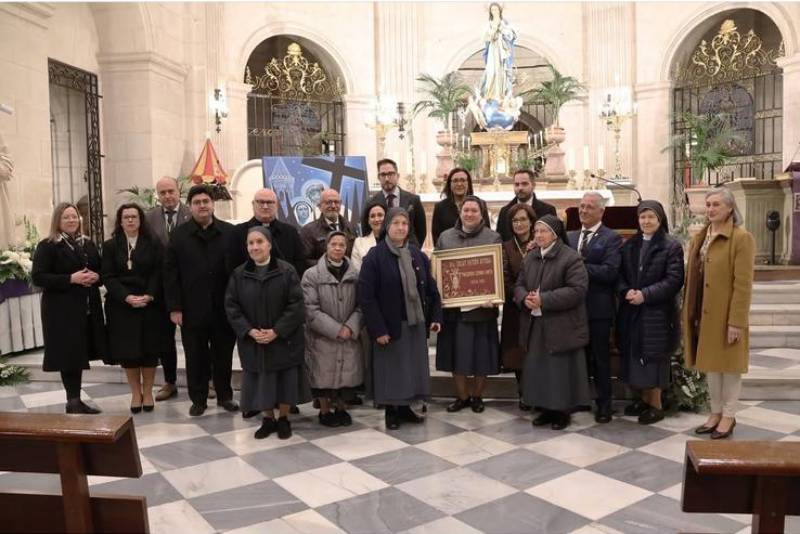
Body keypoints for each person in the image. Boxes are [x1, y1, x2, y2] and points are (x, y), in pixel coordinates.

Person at [358, 207, 442, 429]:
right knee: (391, 371)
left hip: (414, 324)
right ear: (387, 226)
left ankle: (405, 408)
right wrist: (378, 329)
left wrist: (435, 316)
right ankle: (391, 412)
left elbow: (431, 289)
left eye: (404, 224)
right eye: (396, 223)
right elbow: (366, 298)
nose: (401, 227)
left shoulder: (417, 254)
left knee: (411, 370)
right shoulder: (374, 257)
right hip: (390, 326)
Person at [684, 186, 755, 440]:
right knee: (711, 367)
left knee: (730, 367)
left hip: (726, 314)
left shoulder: (740, 238)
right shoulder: (701, 236)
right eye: (709, 204)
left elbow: (743, 284)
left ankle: (728, 415)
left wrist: (736, 321)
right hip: (704, 312)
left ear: (729, 208)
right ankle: (714, 413)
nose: (711, 209)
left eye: (716, 205)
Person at [164, 184, 239, 416]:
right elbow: (170, 275)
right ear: (191, 206)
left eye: (206, 201)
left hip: (223, 307)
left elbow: (237, 272)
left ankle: (225, 395)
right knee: (195, 356)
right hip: (191, 308)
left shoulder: (229, 232)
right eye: (197, 202)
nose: (202, 206)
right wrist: (175, 308)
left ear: (212, 204)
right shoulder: (178, 235)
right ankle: (198, 399)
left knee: (224, 355)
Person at [225, 227, 305, 440]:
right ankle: (268, 419)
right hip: (254, 340)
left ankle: (284, 419)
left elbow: (296, 304)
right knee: (261, 381)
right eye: (250, 243)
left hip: (283, 339)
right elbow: (232, 307)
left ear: (269, 244)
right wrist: (249, 330)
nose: (255, 247)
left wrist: (277, 331)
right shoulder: (239, 274)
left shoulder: (286, 271)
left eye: (259, 241)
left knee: (285, 380)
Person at [514, 215, 592, 430]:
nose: (538, 235)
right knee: (539, 369)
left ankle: (562, 412)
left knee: (560, 371)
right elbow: (519, 284)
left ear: (555, 235)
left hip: (561, 324)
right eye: (536, 231)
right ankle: (545, 409)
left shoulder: (570, 258)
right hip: (535, 323)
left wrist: (544, 300)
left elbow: (577, 290)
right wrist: (524, 298)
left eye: (543, 231)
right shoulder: (530, 257)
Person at [32, 202, 106, 414]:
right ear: (58, 221)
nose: (72, 220)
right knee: (69, 354)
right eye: (67, 217)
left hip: (85, 308)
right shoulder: (48, 245)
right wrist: (70, 279)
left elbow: (100, 270)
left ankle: (75, 399)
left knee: (78, 353)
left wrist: (97, 276)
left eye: (74, 217)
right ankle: (73, 400)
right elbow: (38, 277)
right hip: (61, 311)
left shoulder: (87, 244)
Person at [617, 201, 684, 425]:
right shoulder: (630, 245)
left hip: (657, 312)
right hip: (632, 310)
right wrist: (625, 291)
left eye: (651, 217)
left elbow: (674, 280)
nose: (646, 221)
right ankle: (643, 400)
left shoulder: (671, 246)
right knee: (635, 356)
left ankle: (656, 405)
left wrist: (645, 294)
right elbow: (620, 275)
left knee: (653, 358)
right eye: (642, 217)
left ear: (660, 219)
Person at [436, 196, 502, 414]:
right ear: (460, 212)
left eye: (474, 210)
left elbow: (498, 272)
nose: (469, 214)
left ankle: (477, 396)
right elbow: (437, 270)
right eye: (466, 210)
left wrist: (494, 294)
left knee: (481, 357)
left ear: (482, 214)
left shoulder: (493, 238)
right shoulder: (445, 237)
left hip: (482, 310)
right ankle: (462, 396)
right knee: (457, 357)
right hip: (454, 310)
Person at [102, 203, 170, 413]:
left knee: (149, 351)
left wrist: (149, 295)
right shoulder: (111, 245)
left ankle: (148, 392)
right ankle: (135, 393)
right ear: (120, 221)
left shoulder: (153, 243)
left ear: (141, 220)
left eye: (134, 217)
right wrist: (126, 297)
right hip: (122, 307)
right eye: (126, 217)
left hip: (150, 305)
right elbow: (108, 276)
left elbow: (159, 272)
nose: (130, 220)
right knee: (129, 352)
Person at [566, 191, 622, 423]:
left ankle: (604, 404)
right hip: (572, 309)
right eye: (581, 206)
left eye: (590, 207)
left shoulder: (611, 238)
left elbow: (610, 271)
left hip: (598, 309)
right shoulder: (569, 237)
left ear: (601, 211)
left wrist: (579, 266)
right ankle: (579, 398)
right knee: (576, 357)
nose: (584, 210)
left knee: (600, 358)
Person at [302, 231, 363, 427]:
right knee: (324, 376)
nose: (337, 248)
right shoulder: (311, 275)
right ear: (326, 247)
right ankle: (325, 410)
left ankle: (342, 408)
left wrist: (350, 327)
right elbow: (310, 309)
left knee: (346, 376)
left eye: (341, 245)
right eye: (333, 244)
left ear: (346, 248)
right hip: (322, 337)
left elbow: (362, 305)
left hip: (348, 334)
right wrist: (336, 329)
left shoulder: (355, 274)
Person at [146, 176, 191, 402]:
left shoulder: (192, 213)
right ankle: (169, 381)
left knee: (196, 338)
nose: (167, 196)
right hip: (161, 289)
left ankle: (204, 379)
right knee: (165, 340)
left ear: (178, 191)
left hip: (189, 287)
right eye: (162, 192)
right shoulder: (148, 218)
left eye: (170, 191)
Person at [500, 203, 537, 411]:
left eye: (523, 219)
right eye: (515, 220)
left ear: (531, 222)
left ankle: (538, 393)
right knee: (517, 353)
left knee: (536, 352)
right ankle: (523, 393)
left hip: (540, 307)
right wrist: (522, 297)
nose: (519, 224)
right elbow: (504, 280)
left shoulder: (541, 241)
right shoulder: (506, 247)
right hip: (515, 308)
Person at [228, 188, 307, 275]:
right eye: (261, 202)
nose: (265, 206)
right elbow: (233, 266)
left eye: (269, 202)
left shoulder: (290, 232)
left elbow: (300, 264)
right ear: (253, 204)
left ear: (277, 205)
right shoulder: (238, 232)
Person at [368, 158, 427, 247]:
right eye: (383, 175)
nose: (387, 178)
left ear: (397, 175)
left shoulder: (413, 200)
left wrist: (414, 248)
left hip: (409, 251)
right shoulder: (371, 202)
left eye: (391, 174)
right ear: (378, 177)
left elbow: (421, 231)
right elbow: (367, 230)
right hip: (382, 251)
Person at [300, 188, 357, 270]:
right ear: (319, 207)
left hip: (347, 277)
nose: (333, 206)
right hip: (322, 279)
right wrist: (330, 265)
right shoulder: (308, 231)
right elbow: (304, 261)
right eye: (328, 202)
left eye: (336, 202)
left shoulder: (350, 227)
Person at [496, 169, 556, 242]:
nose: (520, 188)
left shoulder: (548, 210)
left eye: (524, 184)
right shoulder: (505, 211)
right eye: (517, 184)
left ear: (533, 185)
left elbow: (555, 239)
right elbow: (500, 241)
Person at [481, 2, 517, 102]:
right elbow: (485, 38)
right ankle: (491, 94)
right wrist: (492, 31)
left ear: (500, 10)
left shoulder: (504, 23)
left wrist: (501, 28)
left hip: (502, 51)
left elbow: (511, 35)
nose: (494, 11)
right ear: (490, 12)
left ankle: (501, 94)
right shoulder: (489, 24)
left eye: (496, 9)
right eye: (492, 10)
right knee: (491, 71)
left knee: (501, 71)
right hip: (493, 50)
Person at [432, 167, 475, 244]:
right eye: (455, 181)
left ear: (468, 183)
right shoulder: (440, 207)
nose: (459, 184)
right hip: (449, 252)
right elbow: (436, 237)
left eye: (462, 180)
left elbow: (486, 232)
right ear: (450, 184)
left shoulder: (480, 205)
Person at [351, 200, 386, 270]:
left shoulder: (395, 240)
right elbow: (357, 270)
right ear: (368, 221)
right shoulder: (359, 243)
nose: (376, 219)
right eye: (372, 216)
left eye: (380, 215)